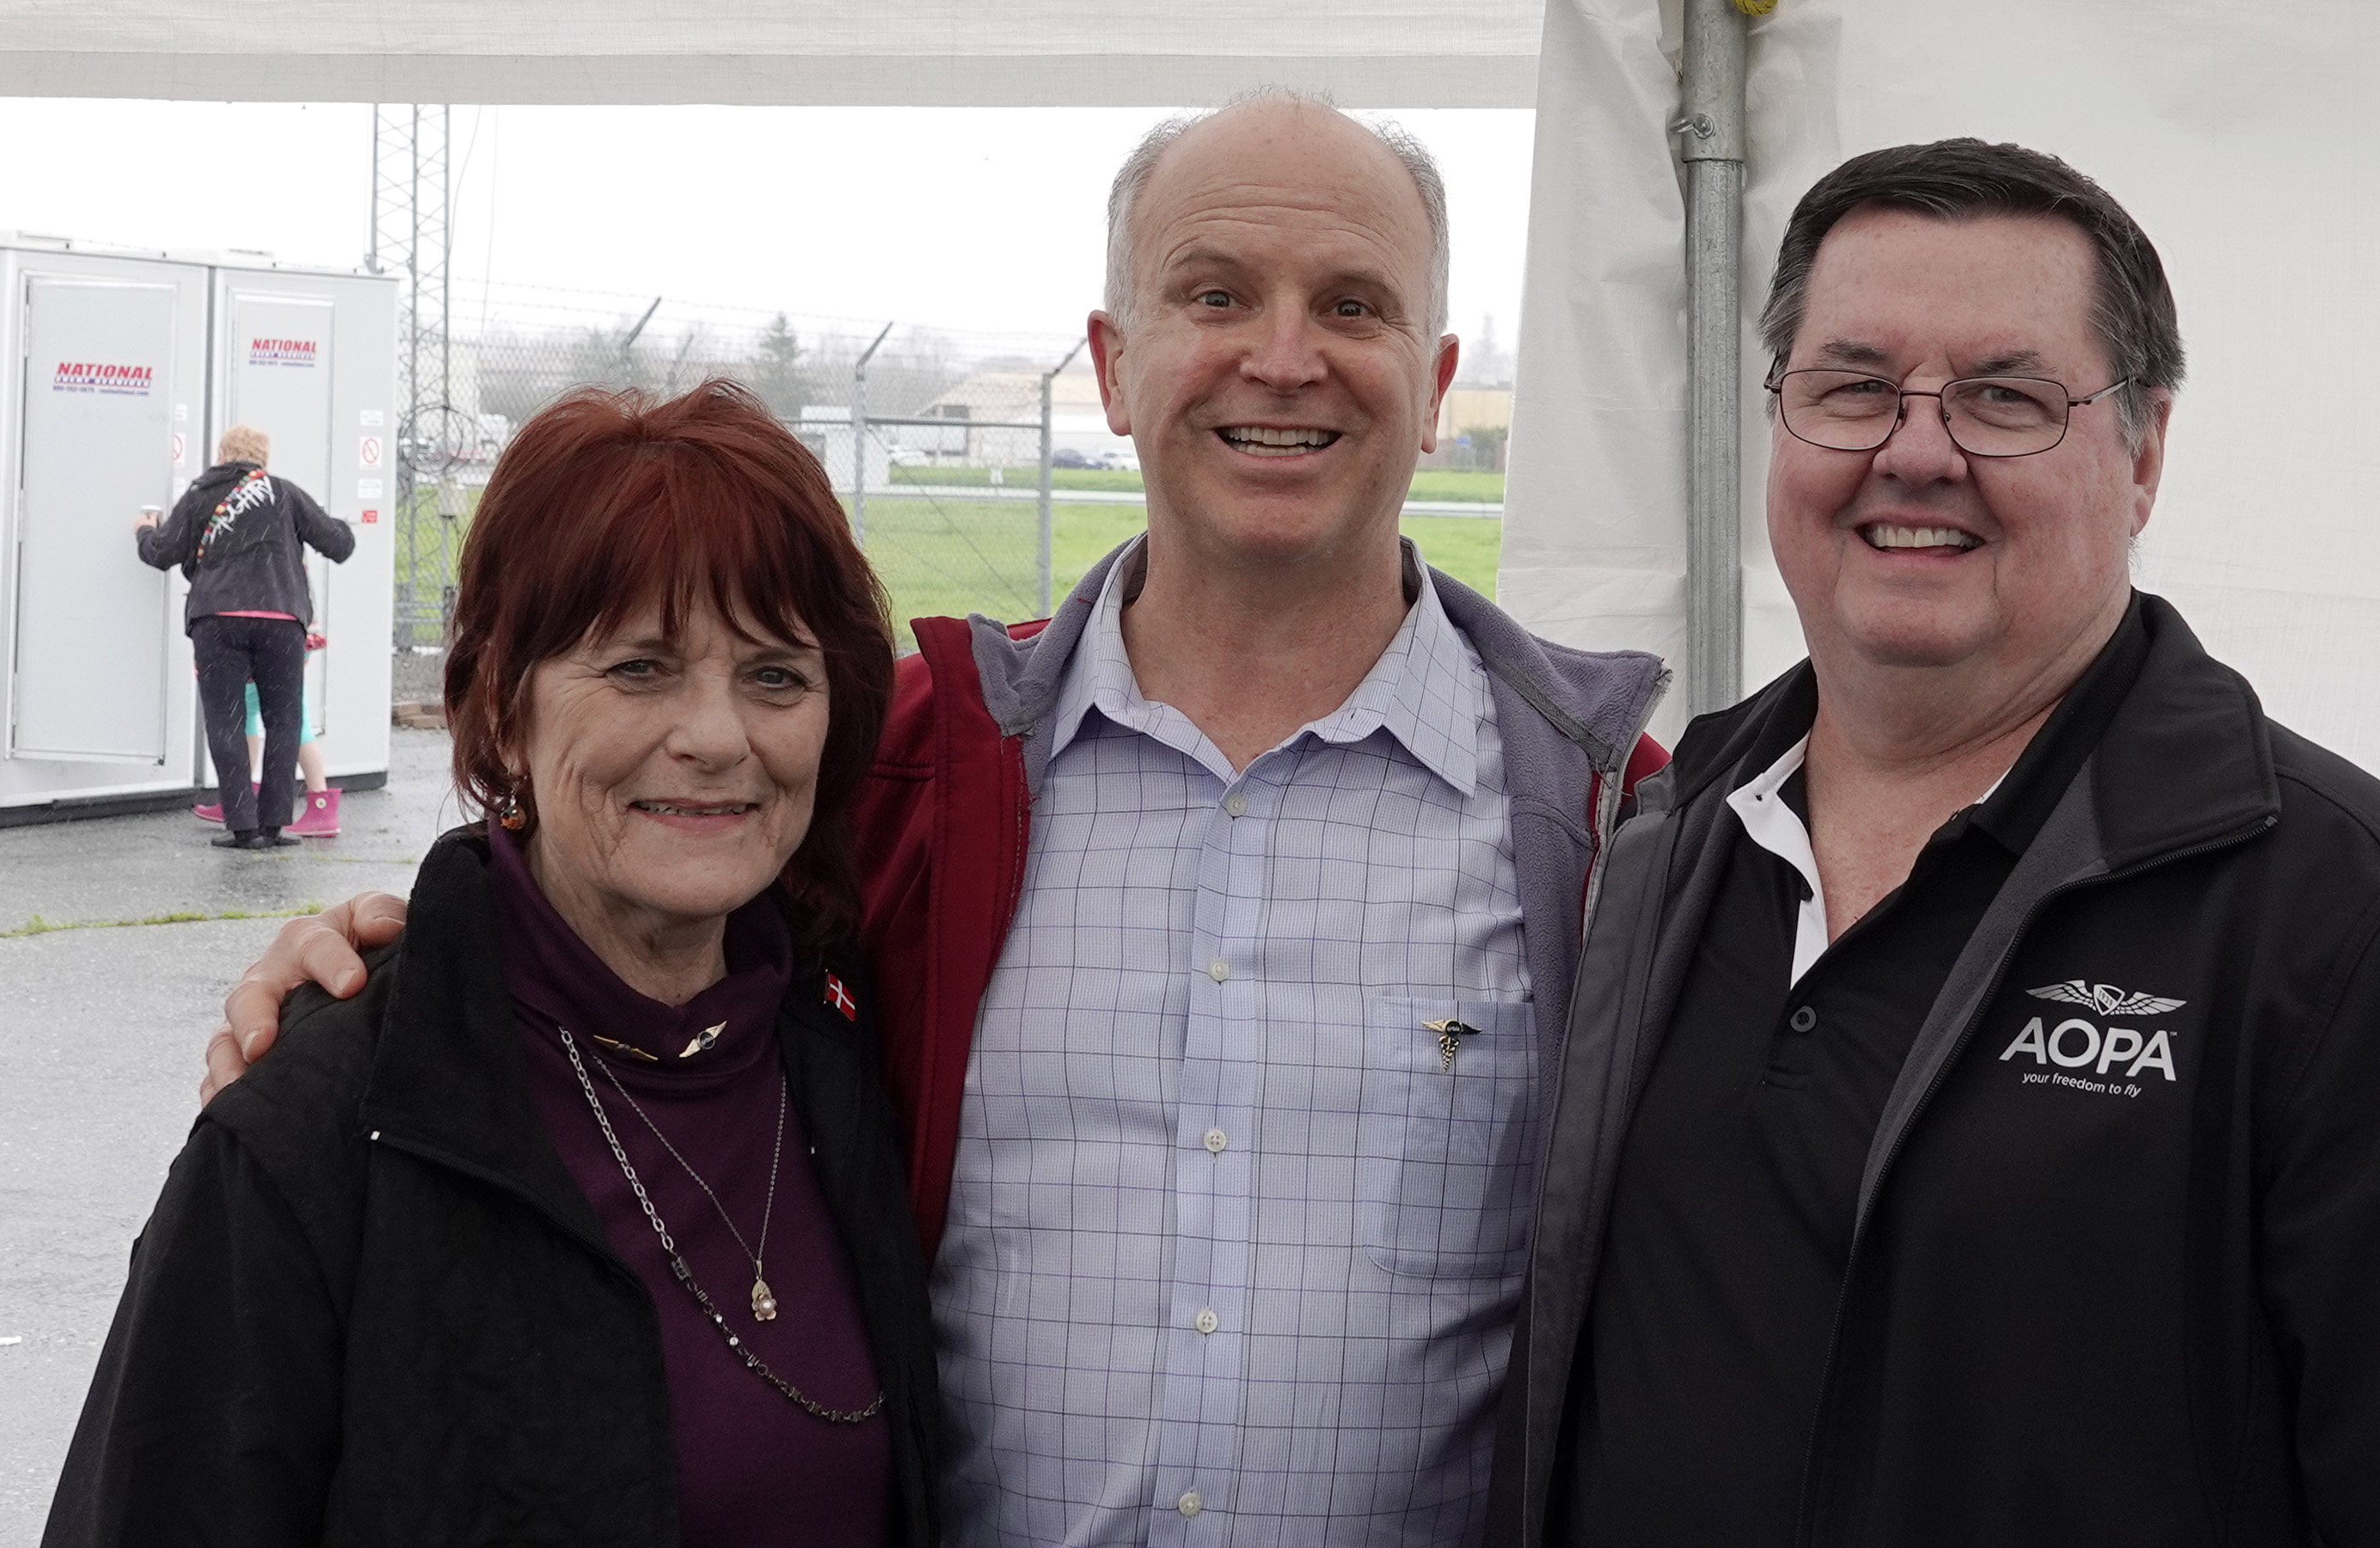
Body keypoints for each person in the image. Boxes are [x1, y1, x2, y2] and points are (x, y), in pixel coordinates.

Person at [202, 92, 1667, 1545]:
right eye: (1214, 294)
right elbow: (632, 889)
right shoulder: (914, 764)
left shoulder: (1609, 827)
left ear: (1437, 373)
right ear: (1112, 361)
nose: (1283, 358)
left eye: (1352, 304)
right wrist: (403, 967)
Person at [1486, 139, 2380, 1546]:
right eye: (1853, 387)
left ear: (2144, 452)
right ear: (1779, 423)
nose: (1917, 451)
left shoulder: (2362, 924)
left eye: (2005, 397)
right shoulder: (1661, 834)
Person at [52, 384, 942, 1546]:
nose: (719, 736)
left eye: (777, 674)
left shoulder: (855, 1053)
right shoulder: (322, 1131)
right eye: (639, 668)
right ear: (501, 707)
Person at [134, 424, 354, 850]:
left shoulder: (201, 494)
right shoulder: (284, 493)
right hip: (281, 618)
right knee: (284, 717)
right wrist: (332, 520)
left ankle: (242, 827)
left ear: (221, 453)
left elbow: (162, 552)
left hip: (217, 618)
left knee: (226, 719)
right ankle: (274, 824)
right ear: (263, 458)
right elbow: (339, 544)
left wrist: (144, 529)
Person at [189, 673, 340, 837]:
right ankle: (242, 799)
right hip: (285, 648)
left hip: (272, 649)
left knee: (289, 716)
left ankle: (321, 806)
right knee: (251, 706)